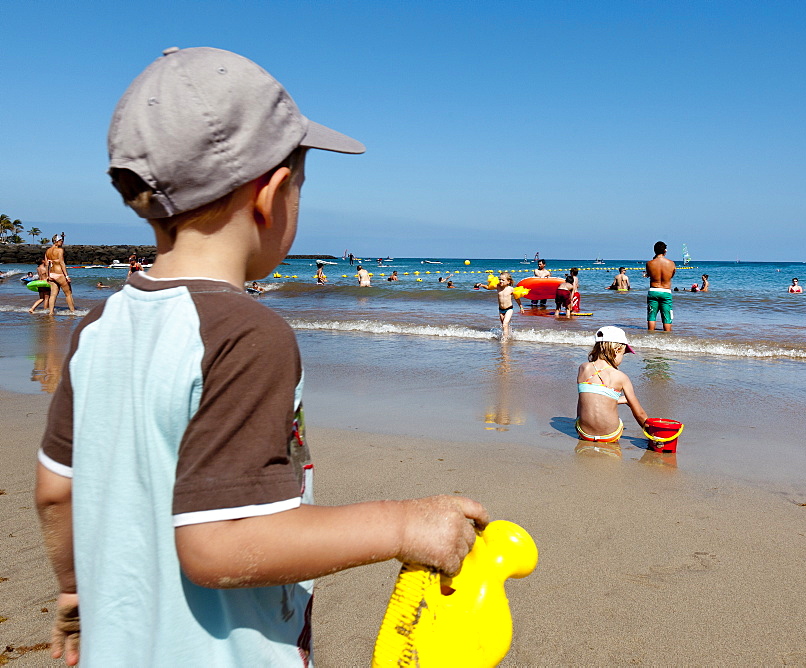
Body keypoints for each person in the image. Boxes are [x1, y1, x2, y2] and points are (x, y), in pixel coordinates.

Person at [35, 46, 488, 667]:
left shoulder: (99, 325)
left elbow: (55, 492)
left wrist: (74, 589)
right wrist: (403, 525)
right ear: (270, 194)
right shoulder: (247, 335)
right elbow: (217, 546)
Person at [575, 326, 648, 443]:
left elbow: (587, 398)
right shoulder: (621, 377)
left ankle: (622, 400)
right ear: (617, 350)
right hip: (610, 435)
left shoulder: (583, 368)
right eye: (623, 354)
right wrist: (652, 434)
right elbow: (639, 414)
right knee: (631, 403)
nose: (622, 359)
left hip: (584, 433)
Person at [646, 241, 675, 331]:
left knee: (651, 316)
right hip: (666, 291)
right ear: (665, 251)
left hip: (653, 290)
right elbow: (671, 276)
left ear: (654, 251)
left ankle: (650, 337)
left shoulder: (649, 263)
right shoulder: (671, 263)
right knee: (667, 317)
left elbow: (649, 274)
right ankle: (667, 338)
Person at [45, 233, 76, 314]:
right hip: (59, 274)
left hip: (51, 274)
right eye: (61, 241)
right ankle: (72, 311)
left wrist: (47, 276)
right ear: (56, 241)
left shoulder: (48, 251)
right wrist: (67, 276)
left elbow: (46, 264)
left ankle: (51, 312)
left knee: (53, 294)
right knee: (68, 293)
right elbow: (62, 263)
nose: (62, 242)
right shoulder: (60, 250)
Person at [491, 271, 523, 339]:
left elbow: (516, 298)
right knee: (504, 325)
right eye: (500, 279)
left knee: (505, 323)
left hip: (509, 309)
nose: (501, 281)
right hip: (501, 310)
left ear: (508, 281)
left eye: (503, 280)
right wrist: (481, 285)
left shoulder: (511, 289)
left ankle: (504, 339)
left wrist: (521, 307)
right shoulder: (498, 287)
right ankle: (508, 335)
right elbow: (488, 287)